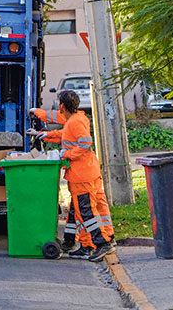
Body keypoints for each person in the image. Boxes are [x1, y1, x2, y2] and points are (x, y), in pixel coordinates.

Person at [29, 91, 115, 262]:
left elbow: (85, 143)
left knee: (86, 212)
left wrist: (65, 154)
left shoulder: (74, 122)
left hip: (81, 174)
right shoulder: (76, 119)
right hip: (85, 171)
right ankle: (86, 244)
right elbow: (66, 135)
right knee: (82, 210)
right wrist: (46, 135)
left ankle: (100, 243)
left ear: (62, 106)